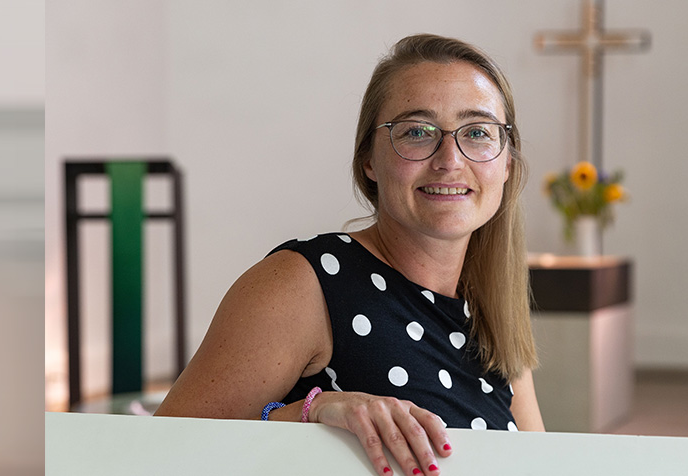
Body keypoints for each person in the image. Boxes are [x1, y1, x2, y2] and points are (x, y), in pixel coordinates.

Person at [155, 33, 543, 476]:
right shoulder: (303, 283)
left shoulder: (491, 307)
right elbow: (164, 453)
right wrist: (308, 414)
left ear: (507, 162)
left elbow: (539, 466)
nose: (449, 160)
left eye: (477, 132)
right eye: (417, 132)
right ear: (369, 161)